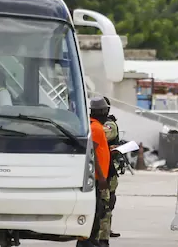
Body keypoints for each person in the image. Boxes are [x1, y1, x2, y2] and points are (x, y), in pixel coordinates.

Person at [77, 97, 110, 247]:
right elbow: (93, 153)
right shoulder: (96, 128)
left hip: (94, 177)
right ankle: (88, 242)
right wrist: (102, 177)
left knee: (97, 210)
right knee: (97, 211)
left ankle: (88, 242)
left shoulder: (91, 125)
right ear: (102, 111)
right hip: (96, 178)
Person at [99, 97, 121, 245]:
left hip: (109, 169)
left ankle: (105, 231)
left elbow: (105, 135)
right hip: (98, 168)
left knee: (108, 201)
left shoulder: (109, 124)